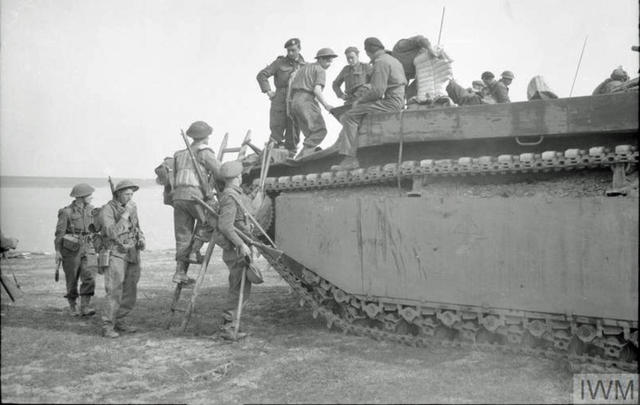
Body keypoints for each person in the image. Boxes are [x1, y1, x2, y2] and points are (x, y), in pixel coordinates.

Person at [331, 37, 407, 171]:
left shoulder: (380, 62)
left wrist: (359, 101)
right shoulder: (393, 60)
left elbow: (377, 91)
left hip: (391, 102)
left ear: (367, 52)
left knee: (349, 116)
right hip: (398, 99)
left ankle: (350, 159)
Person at [171, 120, 221, 284]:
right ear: (205, 136)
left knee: (182, 235)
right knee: (210, 221)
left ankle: (179, 273)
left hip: (178, 197)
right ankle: (194, 252)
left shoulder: (179, 154)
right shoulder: (204, 152)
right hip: (195, 196)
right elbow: (219, 172)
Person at [98, 180, 145, 338]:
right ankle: (107, 325)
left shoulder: (132, 207)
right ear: (118, 193)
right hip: (115, 253)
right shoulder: (107, 210)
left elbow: (137, 226)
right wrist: (125, 215)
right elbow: (111, 233)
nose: (130, 197)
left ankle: (121, 319)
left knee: (130, 289)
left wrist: (142, 238)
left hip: (132, 252)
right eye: (127, 194)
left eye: (132, 194)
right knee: (114, 290)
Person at [216, 160, 254, 338]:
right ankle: (228, 328)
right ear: (236, 178)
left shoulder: (232, 194)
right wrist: (241, 244)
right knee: (237, 288)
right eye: (239, 176)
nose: (241, 178)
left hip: (239, 249)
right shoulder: (230, 197)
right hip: (236, 250)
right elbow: (225, 226)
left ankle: (232, 326)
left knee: (241, 287)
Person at [256, 38, 305, 157]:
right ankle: (271, 157)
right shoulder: (279, 63)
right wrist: (269, 91)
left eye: (293, 50)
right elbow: (262, 75)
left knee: (294, 129)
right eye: (288, 51)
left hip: (295, 100)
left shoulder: (304, 66)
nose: (290, 53)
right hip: (280, 100)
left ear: (299, 49)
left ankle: (290, 156)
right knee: (276, 131)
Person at [54, 183, 97, 317]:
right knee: (72, 279)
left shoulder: (92, 210)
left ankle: (85, 306)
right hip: (71, 251)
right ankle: (73, 306)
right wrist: (57, 251)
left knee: (89, 278)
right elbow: (59, 233)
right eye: (89, 195)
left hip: (88, 248)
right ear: (80, 197)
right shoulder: (66, 212)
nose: (92, 198)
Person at [289, 47, 338, 159]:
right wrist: (327, 106)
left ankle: (304, 156)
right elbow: (317, 90)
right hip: (307, 100)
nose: (329, 63)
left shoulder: (304, 68)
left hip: (295, 102)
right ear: (319, 59)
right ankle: (301, 157)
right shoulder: (320, 70)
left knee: (310, 134)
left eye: (330, 60)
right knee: (320, 131)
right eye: (327, 60)